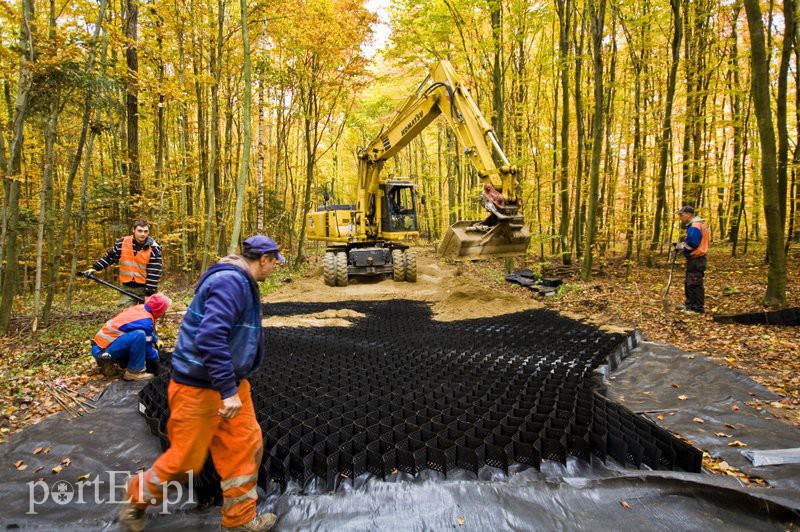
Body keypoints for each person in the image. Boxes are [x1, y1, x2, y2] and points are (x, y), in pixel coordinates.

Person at [119, 235, 285, 532]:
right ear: (264, 259)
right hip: (198, 387)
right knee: (186, 462)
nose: (274, 268)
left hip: (230, 382)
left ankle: (240, 520)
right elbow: (210, 337)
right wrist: (227, 390)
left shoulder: (241, 282)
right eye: (274, 262)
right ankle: (137, 498)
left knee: (246, 445)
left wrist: (232, 386)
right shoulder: (230, 283)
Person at [92, 294, 172, 381]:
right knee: (139, 335)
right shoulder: (145, 321)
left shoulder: (141, 309)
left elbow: (140, 326)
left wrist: (156, 340)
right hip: (103, 351)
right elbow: (148, 348)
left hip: (100, 346)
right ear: (159, 310)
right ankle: (134, 372)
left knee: (138, 336)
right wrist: (156, 362)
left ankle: (113, 362)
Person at [84, 220, 163, 306]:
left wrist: (149, 294)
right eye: (140, 231)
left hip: (146, 288)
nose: (143, 234)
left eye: (145, 231)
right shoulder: (122, 243)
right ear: (133, 230)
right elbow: (110, 257)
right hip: (127, 288)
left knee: (146, 315)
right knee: (126, 313)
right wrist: (95, 268)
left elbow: (154, 272)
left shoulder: (154, 248)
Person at [674, 205, 710, 313]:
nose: (681, 217)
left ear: (689, 215)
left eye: (682, 214)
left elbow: (693, 243)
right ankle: (690, 305)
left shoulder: (695, 226)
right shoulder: (699, 224)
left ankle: (697, 308)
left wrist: (681, 247)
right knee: (690, 283)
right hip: (696, 258)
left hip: (697, 258)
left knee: (694, 284)